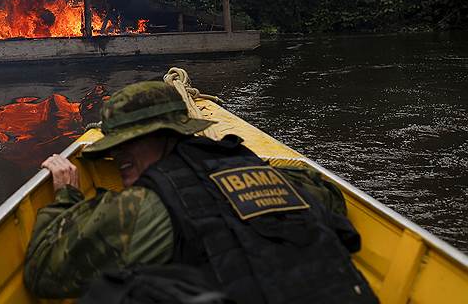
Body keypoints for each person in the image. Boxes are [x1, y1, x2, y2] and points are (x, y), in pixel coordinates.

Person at [24, 81, 377, 303]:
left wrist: (68, 197)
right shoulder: (272, 178)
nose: (119, 158)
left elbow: (44, 274)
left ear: (164, 137)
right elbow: (332, 197)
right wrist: (257, 171)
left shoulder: (144, 207)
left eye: (128, 147)